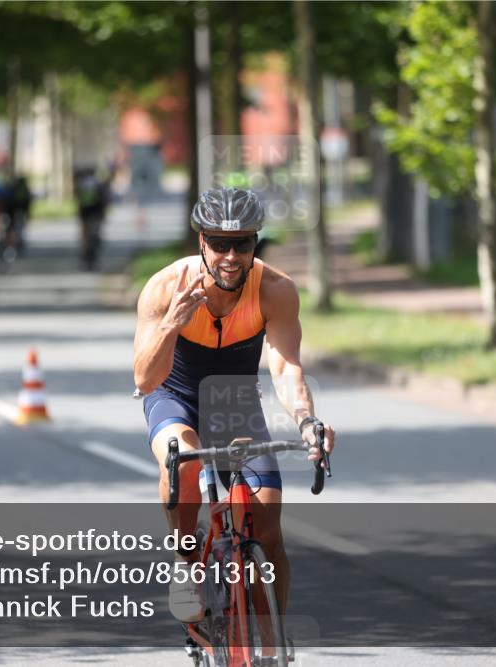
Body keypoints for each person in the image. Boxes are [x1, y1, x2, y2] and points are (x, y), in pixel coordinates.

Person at [132, 187, 336, 623]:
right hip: (174, 396)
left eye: (242, 243)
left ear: (255, 243)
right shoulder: (165, 287)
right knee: (182, 461)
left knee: (267, 524)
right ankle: (186, 564)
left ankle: (271, 645)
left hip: (234, 402)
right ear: (201, 242)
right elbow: (145, 379)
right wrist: (172, 323)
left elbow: (286, 369)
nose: (230, 255)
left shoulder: (275, 290)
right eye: (219, 243)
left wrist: (306, 421)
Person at [74, 166, 110, 271]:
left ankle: (86, 254)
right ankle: (94, 250)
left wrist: (79, 215)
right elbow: (103, 201)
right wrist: (103, 214)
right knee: (95, 234)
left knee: (86, 238)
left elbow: (79, 202)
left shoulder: (82, 186)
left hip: (85, 215)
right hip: (96, 215)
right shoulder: (98, 185)